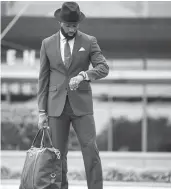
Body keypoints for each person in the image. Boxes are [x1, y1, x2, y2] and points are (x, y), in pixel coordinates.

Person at [37, 2, 109, 189]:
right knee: (58, 155)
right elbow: (43, 79)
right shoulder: (47, 43)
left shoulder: (89, 41)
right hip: (55, 106)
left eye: (75, 25)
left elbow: (103, 68)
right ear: (60, 22)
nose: (72, 29)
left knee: (91, 151)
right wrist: (41, 111)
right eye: (68, 25)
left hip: (82, 106)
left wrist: (84, 75)